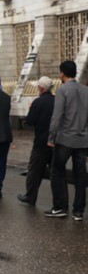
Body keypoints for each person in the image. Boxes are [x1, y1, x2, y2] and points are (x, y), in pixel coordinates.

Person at [45, 61, 88, 220]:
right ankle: (78, 211)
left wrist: (51, 137)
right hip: (82, 140)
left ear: (62, 73)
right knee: (80, 175)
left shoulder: (62, 90)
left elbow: (57, 117)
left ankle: (60, 207)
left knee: (57, 171)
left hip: (65, 139)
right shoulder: (86, 90)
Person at [16, 77, 55, 206]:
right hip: (56, 141)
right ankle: (60, 202)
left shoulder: (38, 102)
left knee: (34, 170)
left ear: (41, 88)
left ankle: (30, 196)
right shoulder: (57, 100)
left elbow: (30, 121)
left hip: (41, 142)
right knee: (56, 172)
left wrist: (31, 110)